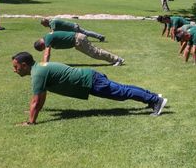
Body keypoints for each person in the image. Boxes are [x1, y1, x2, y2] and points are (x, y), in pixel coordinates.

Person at [11, 51, 167, 125]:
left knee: (121, 92)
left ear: (24, 65)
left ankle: (155, 100)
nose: (14, 70)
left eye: (16, 67)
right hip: (89, 79)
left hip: (90, 81)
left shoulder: (38, 73)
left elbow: (36, 100)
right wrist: (34, 110)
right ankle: (152, 98)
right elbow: (39, 99)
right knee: (122, 90)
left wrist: (31, 121)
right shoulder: (39, 69)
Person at [34, 31, 124, 66]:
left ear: (41, 45)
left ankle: (117, 59)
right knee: (95, 54)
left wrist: (45, 65)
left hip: (78, 39)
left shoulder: (48, 39)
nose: (45, 48)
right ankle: (114, 60)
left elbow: (47, 53)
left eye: (43, 48)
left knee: (95, 53)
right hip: (77, 41)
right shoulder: (47, 37)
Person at [40, 18, 105, 42]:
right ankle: (100, 37)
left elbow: (53, 32)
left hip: (74, 28)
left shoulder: (52, 22)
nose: (44, 26)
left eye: (43, 24)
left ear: (46, 22)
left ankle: (100, 37)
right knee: (85, 33)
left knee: (86, 33)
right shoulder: (51, 22)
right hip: (73, 27)